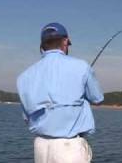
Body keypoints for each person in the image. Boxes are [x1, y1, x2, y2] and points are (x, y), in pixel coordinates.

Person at [17, 22, 104, 163]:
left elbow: (27, 117)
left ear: (42, 45)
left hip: (41, 147)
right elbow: (98, 99)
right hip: (69, 148)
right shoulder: (82, 67)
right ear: (65, 41)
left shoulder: (24, 77)